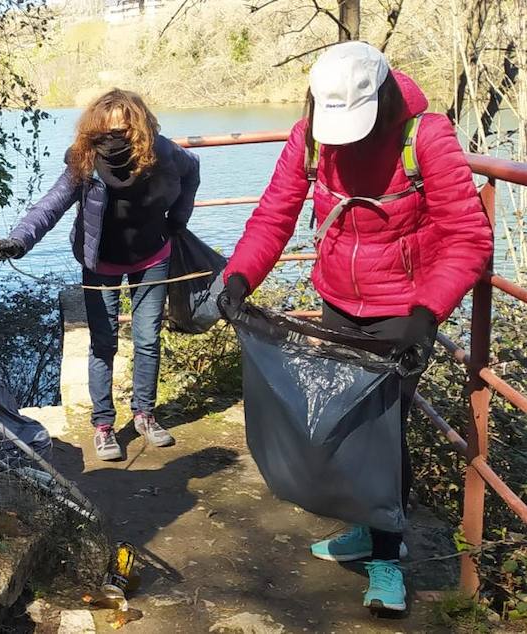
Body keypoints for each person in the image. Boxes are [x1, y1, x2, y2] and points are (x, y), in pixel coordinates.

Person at [217, 41, 492, 613]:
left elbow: (468, 236)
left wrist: (424, 315)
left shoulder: (426, 137)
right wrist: (240, 276)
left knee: (382, 436)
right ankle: (366, 533)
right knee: (342, 427)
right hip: (338, 305)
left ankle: (388, 562)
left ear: (383, 101)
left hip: (402, 314)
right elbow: (275, 212)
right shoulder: (310, 137)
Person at [0, 89, 200, 461]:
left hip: (153, 257)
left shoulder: (163, 153)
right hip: (99, 263)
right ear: (92, 133)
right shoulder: (84, 161)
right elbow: (50, 205)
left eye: (122, 131)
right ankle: (104, 425)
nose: (113, 140)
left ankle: (145, 414)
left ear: (139, 128)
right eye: (104, 133)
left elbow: (193, 170)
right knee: (103, 344)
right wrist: (19, 241)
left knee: (148, 338)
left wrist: (178, 222)